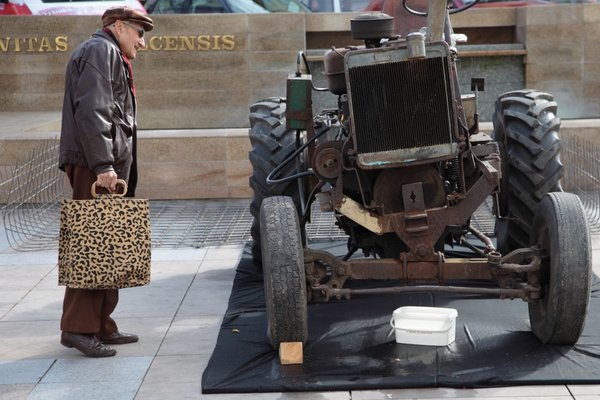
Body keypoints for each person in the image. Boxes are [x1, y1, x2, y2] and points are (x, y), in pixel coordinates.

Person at [58, 6, 154, 357]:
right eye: (138, 33)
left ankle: (100, 325)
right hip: (95, 165)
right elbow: (93, 110)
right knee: (93, 243)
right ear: (117, 26)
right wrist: (103, 166)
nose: (142, 42)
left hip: (103, 163)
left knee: (107, 241)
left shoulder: (108, 51)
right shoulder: (101, 50)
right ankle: (78, 329)